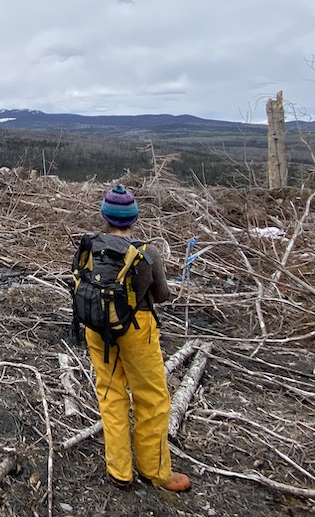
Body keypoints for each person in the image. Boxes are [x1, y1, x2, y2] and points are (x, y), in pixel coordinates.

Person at [79, 184, 191, 492]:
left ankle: (120, 471)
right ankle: (155, 471)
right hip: (137, 330)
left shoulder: (90, 247)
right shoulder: (147, 252)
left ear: (104, 216)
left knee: (110, 395)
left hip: (98, 328)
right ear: (134, 218)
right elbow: (163, 295)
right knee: (151, 398)